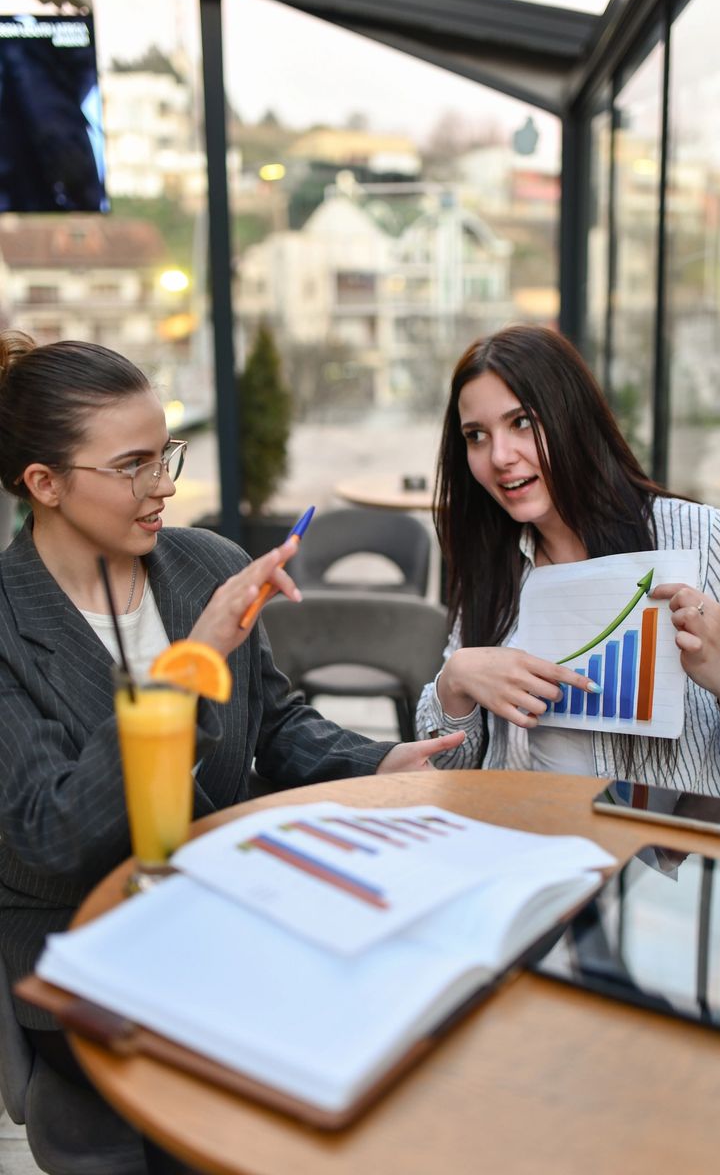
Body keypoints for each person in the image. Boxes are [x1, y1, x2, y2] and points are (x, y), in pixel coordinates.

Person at [0, 332, 462, 1111]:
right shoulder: (10, 623)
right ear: (44, 482)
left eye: (165, 454)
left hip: (225, 908)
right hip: (83, 955)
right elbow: (55, 829)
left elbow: (274, 725)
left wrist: (376, 764)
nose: (163, 488)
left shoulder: (203, 566)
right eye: (131, 466)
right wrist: (193, 658)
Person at [417, 324, 720, 805]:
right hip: (535, 845)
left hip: (679, 865)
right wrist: (455, 682)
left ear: (571, 418)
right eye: (476, 435)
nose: (499, 457)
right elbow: (445, 766)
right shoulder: (493, 558)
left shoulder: (703, 541)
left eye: (522, 423)